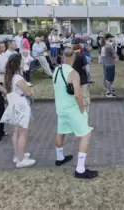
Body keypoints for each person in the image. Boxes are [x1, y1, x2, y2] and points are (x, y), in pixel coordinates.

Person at [53, 48, 98, 179]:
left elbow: (56, 90)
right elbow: (78, 95)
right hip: (71, 108)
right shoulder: (73, 73)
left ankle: (59, 157)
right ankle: (80, 169)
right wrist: (82, 108)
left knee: (60, 131)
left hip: (60, 108)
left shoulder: (56, 70)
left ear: (62, 57)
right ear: (73, 58)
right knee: (86, 135)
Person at [4, 54, 36, 168]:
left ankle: (18, 155)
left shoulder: (11, 76)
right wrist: (32, 92)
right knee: (23, 132)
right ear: (18, 64)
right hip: (21, 105)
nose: (24, 62)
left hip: (14, 104)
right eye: (22, 61)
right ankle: (21, 160)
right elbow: (28, 92)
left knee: (16, 131)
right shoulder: (18, 78)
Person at [72, 39, 91, 114]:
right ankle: (84, 112)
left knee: (75, 96)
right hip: (82, 79)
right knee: (85, 96)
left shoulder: (71, 56)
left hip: (73, 80)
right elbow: (87, 69)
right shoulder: (82, 56)